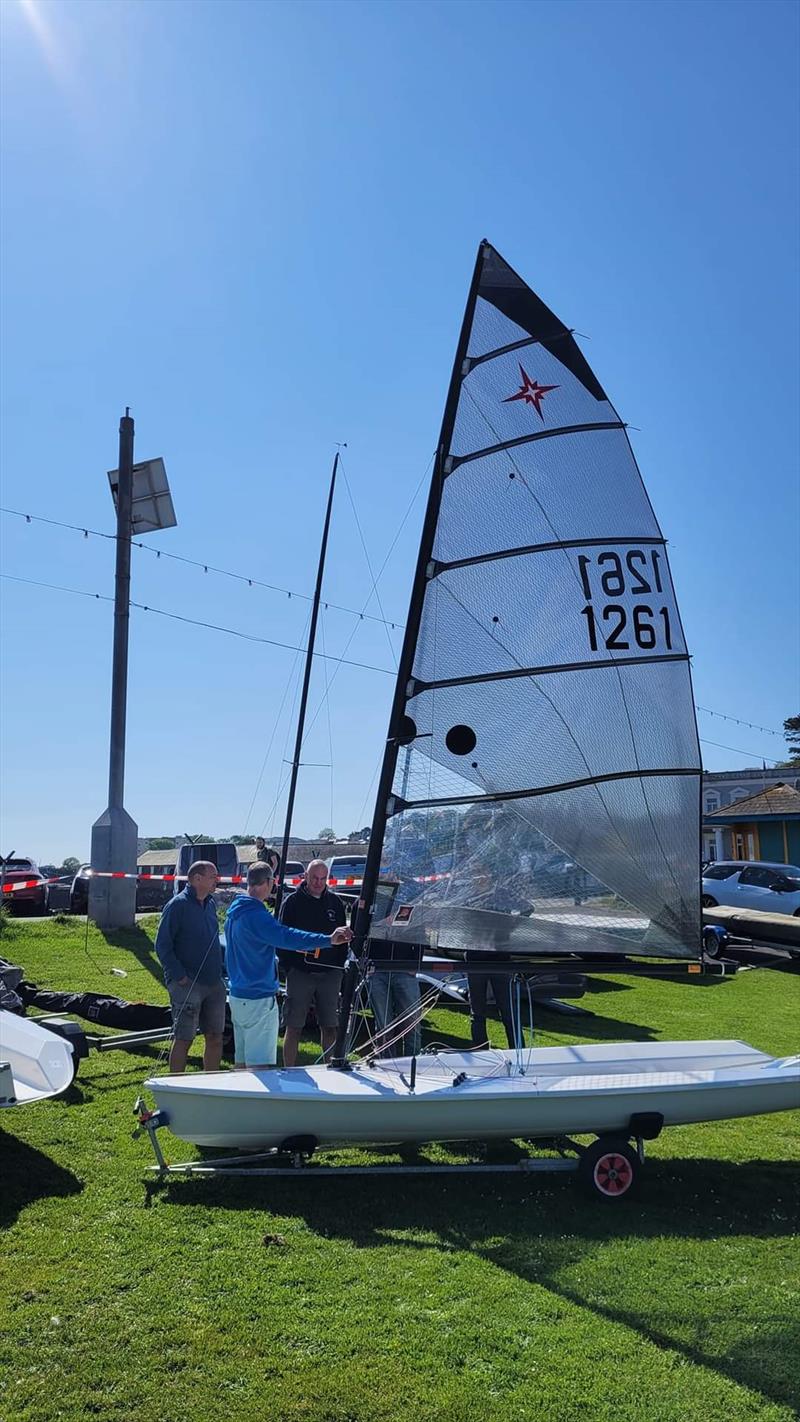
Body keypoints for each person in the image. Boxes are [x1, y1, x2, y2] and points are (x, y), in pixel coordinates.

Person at [225, 862, 352, 1068]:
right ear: (269, 882)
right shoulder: (257, 916)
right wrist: (328, 939)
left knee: (242, 1063)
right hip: (257, 998)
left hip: (238, 996)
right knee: (259, 1067)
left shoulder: (235, 911)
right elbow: (288, 937)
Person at [154, 861, 225, 1074]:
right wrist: (179, 976)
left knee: (215, 1036)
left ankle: (210, 1083)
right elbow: (162, 945)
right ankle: (177, 1084)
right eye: (213, 876)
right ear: (197, 879)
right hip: (187, 983)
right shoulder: (177, 906)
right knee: (184, 1037)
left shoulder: (211, 903)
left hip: (213, 982)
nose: (217, 880)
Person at [278, 859, 347, 1065]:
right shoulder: (292, 902)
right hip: (300, 973)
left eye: (322, 878)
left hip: (329, 974)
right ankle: (288, 1070)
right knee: (294, 1025)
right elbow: (282, 937)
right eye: (314, 878)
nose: (318, 882)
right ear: (305, 877)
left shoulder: (335, 903)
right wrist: (290, 967)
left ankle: (331, 1067)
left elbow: (342, 938)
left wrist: (338, 967)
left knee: (329, 1025)